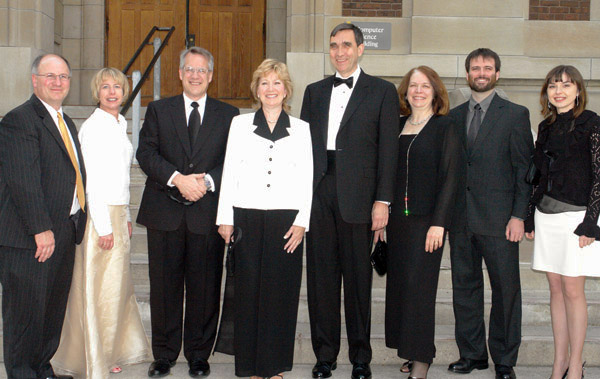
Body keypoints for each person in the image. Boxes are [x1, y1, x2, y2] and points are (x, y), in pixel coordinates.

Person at [300, 23, 400, 379]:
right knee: (321, 282)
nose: (339, 52)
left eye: (346, 45)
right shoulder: (313, 92)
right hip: (320, 192)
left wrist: (383, 201)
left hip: (360, 198)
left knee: (358, 282)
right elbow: (304, 149)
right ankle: (324, 355)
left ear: (360, 49)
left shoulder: (383, 91)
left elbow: (389, 151)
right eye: (333, 46)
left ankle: (361, 358)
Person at [136, 46, 239, 378]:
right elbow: (146, 152)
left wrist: (207, 181)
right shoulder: (159, 110)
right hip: (164, 213)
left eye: (202, 70)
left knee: (205, 287)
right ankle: (164, 354)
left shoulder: (229, 114)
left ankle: (198, 354)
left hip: (206, 214)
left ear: (210, 76)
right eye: (189, 69)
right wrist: (177, 179)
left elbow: (235, 161)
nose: (195, 75)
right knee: (163, 287)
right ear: (180, 73)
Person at [216, 58, 313, 379]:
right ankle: (250, 367)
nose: (270, 89)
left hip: (286, 222)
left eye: (277, 83)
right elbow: (229, 171)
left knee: (280, 295)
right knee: (247, 294)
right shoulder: (240, 125)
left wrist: (303, 221)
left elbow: (307, 178)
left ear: (286, 90)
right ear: (256, 90)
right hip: (246, 218)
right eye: (264, 83)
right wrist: (225, 217)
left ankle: (274, 367)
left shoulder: (301, 129)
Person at [51, 67, 150, 378]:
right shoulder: (94, 127)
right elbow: (90, 181)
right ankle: (93, 357)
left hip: (117, 213)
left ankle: (107, 350)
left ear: (124, 92)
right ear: (97, 92)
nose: (111, 92)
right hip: (100, 217)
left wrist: (127, 217)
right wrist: (105, 226)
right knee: (97, 289)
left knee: (115, 288)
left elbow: (120, 178)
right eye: (105, 87)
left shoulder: (119, 122)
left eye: (117, 87)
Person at [447, 48, 533, 379]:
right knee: (465, 289)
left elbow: (524, 170)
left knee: (506, 291)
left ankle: (504, 360)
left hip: (500, 221)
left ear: (497, 73)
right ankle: (472, 354)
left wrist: (518, 216)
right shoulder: (453, 117)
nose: (481, 73)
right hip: (461, 220)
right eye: (475, 68)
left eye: (487, 68)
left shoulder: (515, 114)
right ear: (468, 74)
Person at [0, 53, 87, 379]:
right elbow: (23, 180)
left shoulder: (65, 121)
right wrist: (41, 229)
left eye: (63, 77)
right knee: (25, 314)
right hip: (30, 238)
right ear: (35, 80)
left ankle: (41, 368)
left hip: (63, 231)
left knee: (51, 309)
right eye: (50, 76)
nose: (57, 82)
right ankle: (23, 372)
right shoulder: (19, 119)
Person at [384, 66, 462, 379]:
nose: (418, 91)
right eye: (413, 86)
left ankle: (421, 359)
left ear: (435, 91)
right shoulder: (398, 125)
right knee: (401, 287)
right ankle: (408, 349)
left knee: (420, 290)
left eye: (425, 86)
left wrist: (439, 223)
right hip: (396, 223)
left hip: (427, 223)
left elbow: (451, 177)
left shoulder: (446, 127)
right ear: (406, 92)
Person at [524, 65, 600, 379]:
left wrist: (591, 222)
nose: (559, 91)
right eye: (554, 86)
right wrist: (529, 215)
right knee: (555, 289)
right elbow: (538, 177)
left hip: (577, 217)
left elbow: (599, 175)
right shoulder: (546, 126)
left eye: (566, 85)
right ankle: (558, 363)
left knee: (572, 290)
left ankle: (576, 364)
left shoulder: (591, 122)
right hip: (547, 217)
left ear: (578, 90)